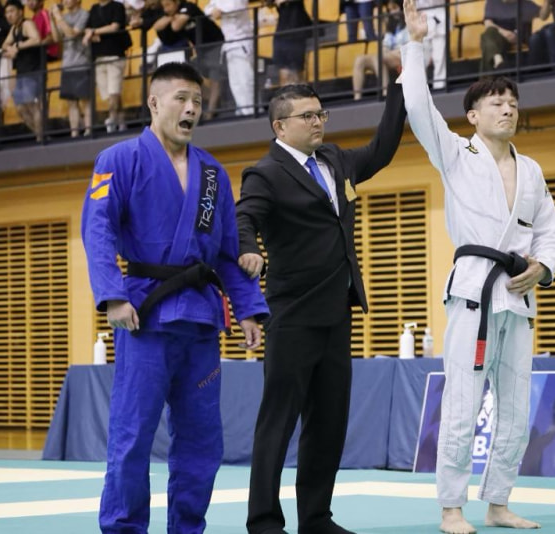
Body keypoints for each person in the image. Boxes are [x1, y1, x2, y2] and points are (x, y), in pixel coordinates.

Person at [81, 62, 269, 533]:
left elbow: (227, 250)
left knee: (202, 441)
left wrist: (247, 307)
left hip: (201, 320)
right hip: (145, 315)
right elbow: (98, 231)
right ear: (154, 102)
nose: (191, 109)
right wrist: (112, 295)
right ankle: (124, 528)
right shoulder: (118, 159)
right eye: (181, 99)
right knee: (133, 435)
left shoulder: (213, 173)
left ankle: (187, 528)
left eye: (198, 102)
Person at [400, 1, 555, 532]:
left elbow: (548, 231)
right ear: (472, 116)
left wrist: (544, 267)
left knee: (515, 406)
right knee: (464, 400)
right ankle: (451, 506)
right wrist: (417, 44)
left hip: (518, 295)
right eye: (496, 103)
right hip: (474, 293)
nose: (507, 109)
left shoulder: (531, 169)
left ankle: (498, 503)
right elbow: (418, 104)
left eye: (512, 103)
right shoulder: (454, 154)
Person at [237, 80, 407, 533]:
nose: (318, 122)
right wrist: (249, 249)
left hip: (337, 311)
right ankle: (264, 521)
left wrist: (401, 88)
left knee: (329, 422)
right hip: (292, 315)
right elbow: (244, 217)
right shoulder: (265, 173)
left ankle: (316, 518)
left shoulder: (334, 160)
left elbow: (382, 150)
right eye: (307, 116)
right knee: (278, 422)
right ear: (280, 126)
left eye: (320, 114)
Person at [83, 0, 130, 133]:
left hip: (114, 55)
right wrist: (91, 33)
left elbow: (115, 26)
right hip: (98, 57)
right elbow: (87, 28)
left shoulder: (117, 6)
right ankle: (121, 121)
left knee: (114, 91)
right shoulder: (94, 8)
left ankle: (112, 119)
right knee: (109, 94)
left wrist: (94, 32)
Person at [204, 0, 255, 116]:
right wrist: (218, 10)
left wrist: (220, 10)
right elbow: (207, 10)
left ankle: (251, 112)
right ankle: (242, 111)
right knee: (235, 84)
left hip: (242, 42)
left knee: (245, 80)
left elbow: (235, 6)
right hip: (229, 44)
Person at [1, 0, 43, 142]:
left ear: (20, 11)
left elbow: (36, 39)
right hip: (21, 72)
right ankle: (39, 134)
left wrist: (18, 46)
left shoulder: (27, 24)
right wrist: (11, 48)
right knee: (20, 108)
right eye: (7, 12)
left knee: (32, 105)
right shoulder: (14, 28)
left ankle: (40, 137)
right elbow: (4, 44)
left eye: (12, 11)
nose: (9, 15)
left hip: (34, 70)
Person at [51, 0, 92, 137]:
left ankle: (89, 130)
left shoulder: (84, 14)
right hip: (67, 64)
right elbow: (56, 38)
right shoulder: (64, 18)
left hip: (82, 61)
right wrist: (52, 19)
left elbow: (72, 33)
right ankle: (74, 132)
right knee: (71, 101)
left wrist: (58, 17)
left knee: (85, 99)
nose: (66, 1)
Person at [352, 0, 408, 101]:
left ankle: (386, 92)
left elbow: (410, 46)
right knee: (360, 60)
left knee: (379, 57)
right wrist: (385, 50)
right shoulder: (391, 25)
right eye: (390, 10)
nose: (392, 12)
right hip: (389, 55)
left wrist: (388, 52)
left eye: (394, 8)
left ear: (401, 7)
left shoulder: (408, 23)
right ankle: (357, 97)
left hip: (404, 55)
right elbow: (385, 45)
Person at [480, 0, 545, 72]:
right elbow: (488, 24)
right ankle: (497, 59)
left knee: (486, 39)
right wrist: (505, 33)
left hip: (518, 36)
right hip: (499, 37)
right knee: (490, 32)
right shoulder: (492, 2)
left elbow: (543, 15)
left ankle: (497, 61)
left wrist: (547, 2)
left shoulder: (525, 4)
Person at [266, 0, 311, 86]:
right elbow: (268, 3)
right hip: (282, 31)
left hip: (297, 30)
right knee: (284, 74)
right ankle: (286, 93)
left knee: (297, 74)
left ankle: (303, 93)